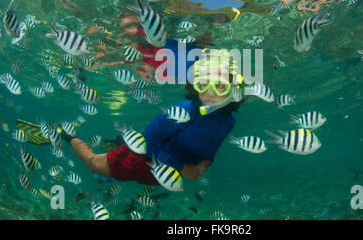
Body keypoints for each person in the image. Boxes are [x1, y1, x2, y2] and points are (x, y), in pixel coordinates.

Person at [61, 49, 244, 186]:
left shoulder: (230, 121)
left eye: (220, 86)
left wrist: (205, 163)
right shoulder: (181, 112)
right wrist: (180, 167)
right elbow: (146, 143)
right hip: (139, 161)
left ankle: (121, 142)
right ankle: (68, 136)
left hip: (164, 176)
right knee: (93, 164)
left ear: (234, 89)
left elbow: (212, 149)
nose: (210, 92)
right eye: (203, 84)